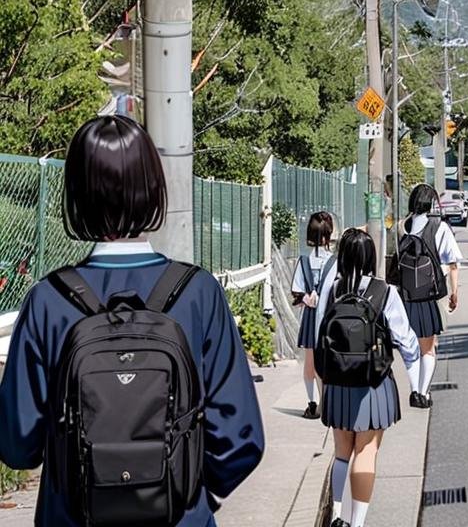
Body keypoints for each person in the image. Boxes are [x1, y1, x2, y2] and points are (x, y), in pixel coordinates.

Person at [0, 115, 265, 526]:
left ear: (76, 194)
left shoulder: (48, 301)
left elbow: (18, 446)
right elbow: (241, 437)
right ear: (153, 189)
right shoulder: (198, 294)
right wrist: (189, 496)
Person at [315, 228, 419, 527]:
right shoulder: (384, 291)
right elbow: (405, 339)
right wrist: (415, 376)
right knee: (366, 451)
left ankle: (336, 515)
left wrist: (324, 382)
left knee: (341, 453)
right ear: (372, 257)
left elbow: (318, 335)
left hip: (337, 382)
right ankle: (356, 522)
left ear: (342, 258)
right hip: (373, 384)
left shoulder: (332, 289)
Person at [398, 183, 462, 408]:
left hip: (404, 298)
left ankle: (414, 389)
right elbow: (452, 263)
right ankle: (422, 393)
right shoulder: (439, 227)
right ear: (431, 203)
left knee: (410, 348)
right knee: (428, 348)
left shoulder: (401, 226)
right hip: (428, 296)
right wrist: (455, 293)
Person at [292, 209, 336, 418]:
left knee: (310, 364)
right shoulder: (335, 262)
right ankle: (328, 402)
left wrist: (306, 298)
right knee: (328, 362)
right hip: (330, 318)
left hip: (310, 319)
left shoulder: (303, 261)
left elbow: (297, 291)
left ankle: (313, 403)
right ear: (328, 235)